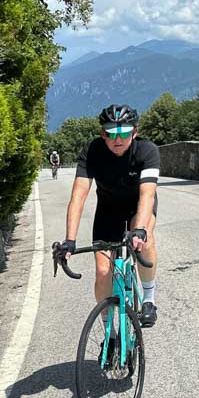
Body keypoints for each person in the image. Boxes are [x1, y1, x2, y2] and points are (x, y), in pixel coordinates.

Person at [55, 104, 161, 330]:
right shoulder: (92, 151)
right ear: (103, 134)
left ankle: (149, 298)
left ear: (135, 132)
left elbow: (147, 194)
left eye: (124, 132)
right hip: (108, 211)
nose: (118, 139)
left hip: (138, 207)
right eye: (112, 133)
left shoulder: (147, 151)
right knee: (103, 272)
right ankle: (110, 332)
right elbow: (78, 197)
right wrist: (70, 240)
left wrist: (140, 229)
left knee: (144, 238)